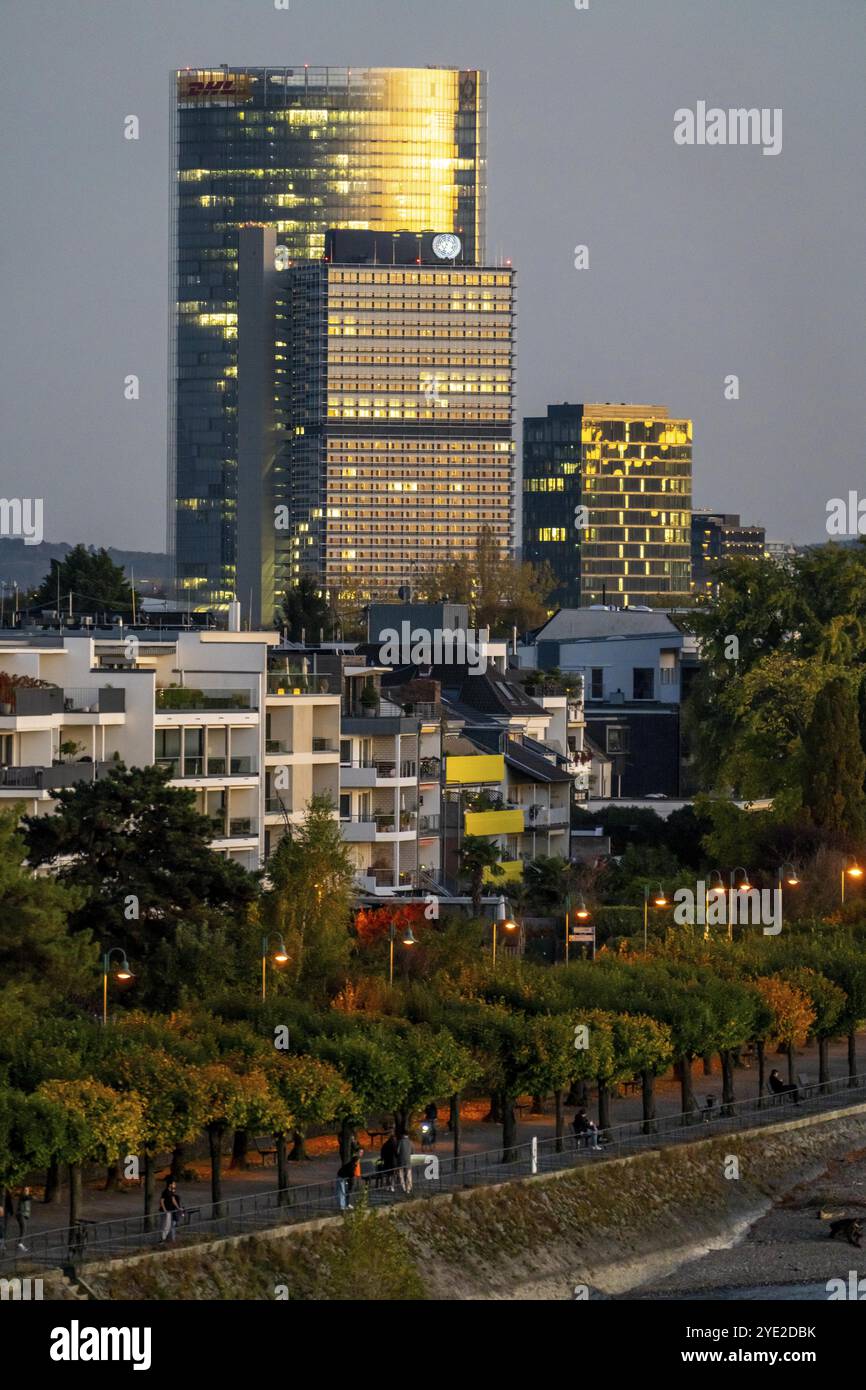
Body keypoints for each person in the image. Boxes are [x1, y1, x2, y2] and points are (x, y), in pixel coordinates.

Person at [16, 1187, 32, 1251]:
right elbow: (27, 1198)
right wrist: (33, 1197)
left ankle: (20, 1243)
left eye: (27, 1190)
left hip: (24, 1215)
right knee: (24, 1228)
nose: (26, 1191)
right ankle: (20, 1243)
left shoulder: (26, 1197)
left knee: (23, 1229)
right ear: (22, 1191)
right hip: (21, 1215)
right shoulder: (23, 1197)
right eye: (25, 1190)